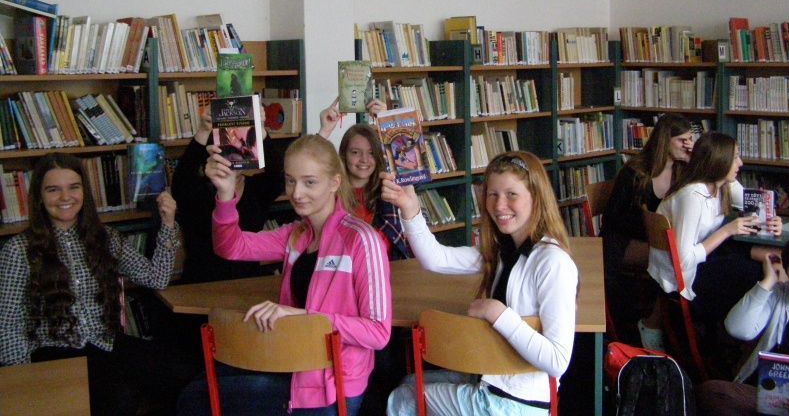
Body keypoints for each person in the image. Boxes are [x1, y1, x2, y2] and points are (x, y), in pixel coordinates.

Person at [176, 134, 392, 416]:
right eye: (291, 181)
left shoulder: (361, 239)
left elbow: (378, 333)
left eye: (309, 182)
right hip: (292, 361)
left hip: (331, 387)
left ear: (334, 183)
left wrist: (303, 318)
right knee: (201, 382)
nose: (297, 193)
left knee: (195, 398)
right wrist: (226, 196)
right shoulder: (297, 233)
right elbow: (231, 247)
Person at [383, 150, 578, 416]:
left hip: (517, 402)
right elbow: (435, 259)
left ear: (536, 197)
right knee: (409, 382)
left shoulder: (553, 262)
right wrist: (409, 207)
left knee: (403, 398)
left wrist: (498, 314)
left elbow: (557, 361)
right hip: (493, 379)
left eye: (512, 194)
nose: (499, 205)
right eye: (492, 194)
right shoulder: (504, 251)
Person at [0, 153, 190, 416]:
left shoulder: (106, 237)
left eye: (73, 187)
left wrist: (168, 224)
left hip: (104, 342)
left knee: (184, 372)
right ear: (40, 197)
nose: (65, 197)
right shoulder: (18, 250)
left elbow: (155, 278)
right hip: (53, 352)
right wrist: (23, 381)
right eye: (53, 189)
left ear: (84, 193)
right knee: (120, 397)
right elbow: (8, 324)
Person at [647, 132, 783, 327]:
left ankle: (768, 327)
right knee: (757, 271)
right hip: (685, 276)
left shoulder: (723, 185)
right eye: (735, 157)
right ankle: (751, 331)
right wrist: (727, 230)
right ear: (719, 161)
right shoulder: (693, 196)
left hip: (704, 259)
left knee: (769, 258)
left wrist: (772, 220)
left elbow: (757, 203)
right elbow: (684, 261)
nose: (740, 163)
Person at [600, 114, 694, 347]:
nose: (688, 145)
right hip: (621, 240)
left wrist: (696, 163)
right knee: (676, 262)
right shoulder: (635, 171)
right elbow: (615, 216)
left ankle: (671, 327)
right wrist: (651, 229)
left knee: (680, 259)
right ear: (665, 140)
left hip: (657, 239)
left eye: (691, 139)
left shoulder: (684, 171)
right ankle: (654, 325)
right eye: (682, 140)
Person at [171, 110, 284, 283]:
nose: (233, 157)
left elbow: (278, 176)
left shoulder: (256, 189)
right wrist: (203, 131)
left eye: (240, 148)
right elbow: (181, 181)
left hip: (246, 283)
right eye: (226, 150)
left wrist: (260, 131)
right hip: (201, 284)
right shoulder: (197, 190)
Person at [696, 237, 789, 416]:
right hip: (770, 396)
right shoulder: (783, 295)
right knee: (711, 393)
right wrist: (768, 282)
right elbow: (737, 328)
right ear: (788, 276)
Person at [318, 97, 412, 260]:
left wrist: (389, 122)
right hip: (342, 272)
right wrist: (324, 131)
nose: (364, 160)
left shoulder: (389, 190)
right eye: (355, 152)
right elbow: (306, 170)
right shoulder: (331, 192)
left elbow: (411, 170)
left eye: (371, 153)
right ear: (344, 155)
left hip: (388, 270)